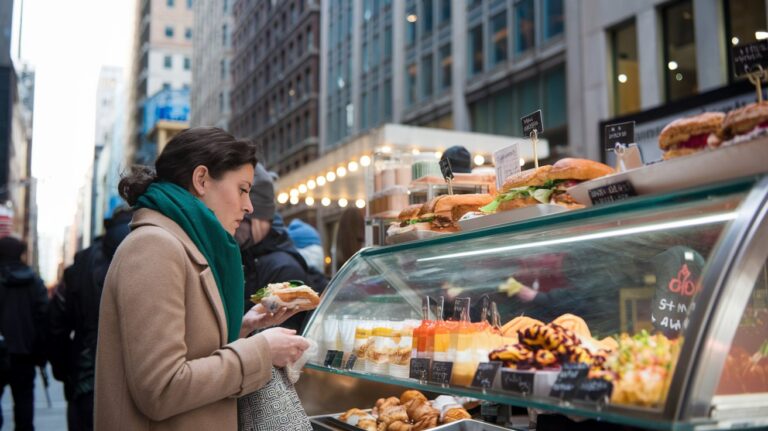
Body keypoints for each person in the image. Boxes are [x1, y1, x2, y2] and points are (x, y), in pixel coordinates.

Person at [94, 127, 309, 431]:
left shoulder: (183, 244)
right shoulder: (154, 247)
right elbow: (161, 389)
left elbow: (191, 352)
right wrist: (261, 351)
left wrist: (244, 327)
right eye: (242, 189)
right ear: (201, 180)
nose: (248, 207)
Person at [48, 208, 132, 431]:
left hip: (87, 376)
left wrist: (63, 370)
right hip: (133, 378)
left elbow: (56, 324)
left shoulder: (82, 262)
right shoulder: (152, 253)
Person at [234, 164, 328, 332]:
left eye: (243, 220)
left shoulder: (283, 267)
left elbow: (281, 340)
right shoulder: (245, 254)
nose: (236, 227)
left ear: (259, 218)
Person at [0, 236, 48, 431]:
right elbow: (44, 318)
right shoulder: (34, 282)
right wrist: (41, 353)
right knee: (24, 404)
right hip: (25, 354)